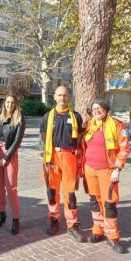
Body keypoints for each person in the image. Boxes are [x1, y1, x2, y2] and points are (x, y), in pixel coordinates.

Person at [82, 99, 130, 253]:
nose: (96, 111)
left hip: (108, 171)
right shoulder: (88, 124)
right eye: (94, 108)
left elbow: (124, 148)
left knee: (109, 204)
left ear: (106, 109)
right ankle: (98, 230)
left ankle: (112, 236)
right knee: (95, 202)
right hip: (90, 169)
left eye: (100, 108)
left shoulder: (116, 125)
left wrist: (117, 168)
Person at [40, 86, 84, 242]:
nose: (62, 98)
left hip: (69, 157)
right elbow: (44, 137)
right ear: (54, 97)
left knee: (70, 193)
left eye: (65, 95)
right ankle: (54, 219)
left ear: (69, 97)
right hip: (52, 157)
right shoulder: (47, 116)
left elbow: (79, 139)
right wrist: (47, 155)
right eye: (59, 95)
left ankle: (72, 224)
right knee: (52, 191)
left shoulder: (76, 117)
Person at [0, 94, 25, 235]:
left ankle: (16, 219)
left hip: (10, 154)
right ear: (4, 103)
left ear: (16, 104)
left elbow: (17, 141)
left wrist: (5, 158)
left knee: (11, 188)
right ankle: (1, 214)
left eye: (12, 102)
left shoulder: (19, 120)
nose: (9, 105)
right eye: (7, 102)